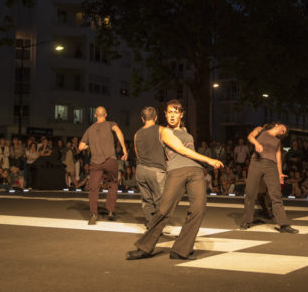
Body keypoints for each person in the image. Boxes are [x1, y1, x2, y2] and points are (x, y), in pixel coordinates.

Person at [126, 100, 223, 260]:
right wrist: (209, 160)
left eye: (175, 112)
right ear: (165, 115)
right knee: (164, 210)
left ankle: (181, 250)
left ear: (181, 114)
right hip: (176, 171)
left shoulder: (186, 131)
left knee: (198, 209)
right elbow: (182, 150)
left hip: (196, 171)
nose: (172, 115)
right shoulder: (163, 131)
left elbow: (190, 151)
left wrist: (202, 165)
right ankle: (144, 248)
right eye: (169, 112)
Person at [240, 122, 299, 233]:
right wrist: (256, 143)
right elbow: (250, 136)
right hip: (256, 162)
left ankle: (284, 225)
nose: (282, 131)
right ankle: (246, 221)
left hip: (271, 166)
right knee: (250, 193)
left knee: (276, 195)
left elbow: (278, 158)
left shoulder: (277, 141)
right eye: (283, 128)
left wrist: (280, 173)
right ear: (277, 125)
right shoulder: (261, 130)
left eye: (284, 132)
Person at [79, 106, 128, 225]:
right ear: (106, 115)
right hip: (110, 160)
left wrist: (90, 145)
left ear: (95, 115)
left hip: (95, 162)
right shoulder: (111, 124)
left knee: (93, 188)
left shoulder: (90, 129)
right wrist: (124, 149)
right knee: (113, 183)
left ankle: (93, 214)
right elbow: (118, 132)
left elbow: (80, 147)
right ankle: (110, 211)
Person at [133, 106, 167, 225]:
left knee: (146, 200)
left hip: (141, 170)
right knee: (160, 201)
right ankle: (157, 226)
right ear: (156, 118)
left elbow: (137, 154)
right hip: (156, 170)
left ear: (142, 119)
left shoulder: (137, 134)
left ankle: (150, 222)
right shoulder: (161, 130)